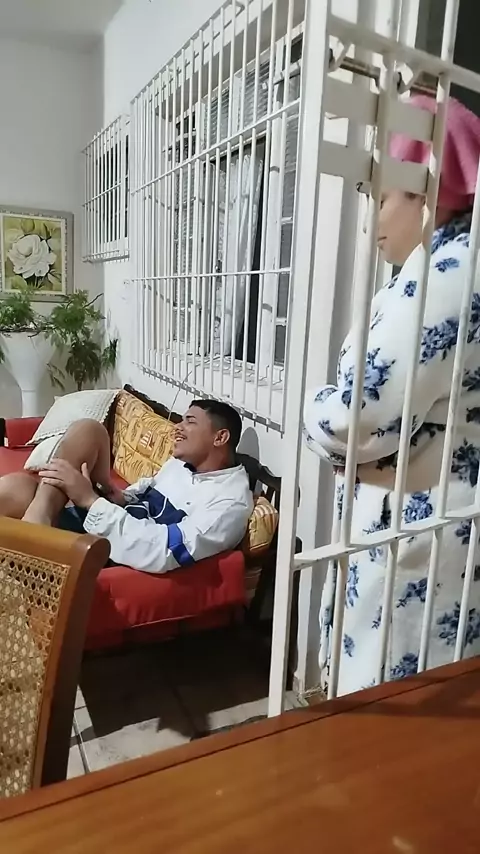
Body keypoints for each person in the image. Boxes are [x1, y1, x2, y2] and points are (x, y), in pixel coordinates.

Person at [303, 95, 480, 695]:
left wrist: (315, 407)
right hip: (439, 513)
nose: (371, 222)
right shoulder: (447, 265)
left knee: (391, 705)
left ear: (423, 187)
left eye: (381, 199)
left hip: (419, 524)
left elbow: (354, 418)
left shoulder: (448, 273)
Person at [0, 399, 253, 574]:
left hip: (113, 552)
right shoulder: (183, 465)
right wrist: (118, 496)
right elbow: (149, 491)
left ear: (220, 437)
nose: (177, 427)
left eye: (190, 421)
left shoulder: (228, 504)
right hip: (110, 520)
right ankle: (37, 522)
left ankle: (35, 528)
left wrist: (90, 500)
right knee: (86, 432)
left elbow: (163, 550)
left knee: (18, 492)